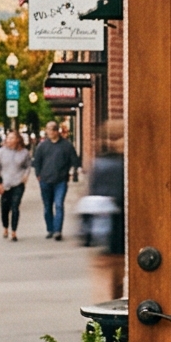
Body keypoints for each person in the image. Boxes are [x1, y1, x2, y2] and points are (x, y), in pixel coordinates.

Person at [80, 120, 127, 301]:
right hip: (118, 233)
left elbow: (90, 198)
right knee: (114, 282)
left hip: (103, 234)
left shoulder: (98, 163)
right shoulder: (123, 165)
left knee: (105, 284)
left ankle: (105, 323)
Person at [32, 122, 79, 239]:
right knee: (47, 206)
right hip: (45, 180)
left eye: (52, 130)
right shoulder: (42, 146)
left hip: (61, 180)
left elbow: (75, 160)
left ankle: (58, 230)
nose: (50, 132)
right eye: (48, 130)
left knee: (58, 205)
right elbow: (37, 162)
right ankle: (50, 229)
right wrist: (38, 175)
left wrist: (73, 172)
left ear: (57, 131)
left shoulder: (66, 145)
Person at [0, 129, 32, 240]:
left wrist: (26, 176)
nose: (9, 140)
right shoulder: (1, 152)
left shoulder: (24, 152)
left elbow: (28, 165)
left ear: (18, 139)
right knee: (4, 208)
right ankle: (5, 228)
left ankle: (14, 231)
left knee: (15, 207)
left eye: (12, 138)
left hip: (18, 183)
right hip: (5, 183)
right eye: (8, 138)